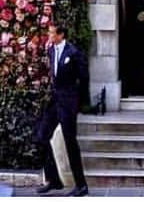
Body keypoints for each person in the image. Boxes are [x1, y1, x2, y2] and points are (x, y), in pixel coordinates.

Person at [35, 19, 89, 197]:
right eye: (49, 32)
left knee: (70, 143)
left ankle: (81, 185)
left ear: (61, 35)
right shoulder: (51, 50)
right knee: (42, 136)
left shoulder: (73, 53)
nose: (49, 36)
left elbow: (83, 79)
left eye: (52, 33)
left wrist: (79, 103)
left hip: (68, 103)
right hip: (54, 101)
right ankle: (54, 180)